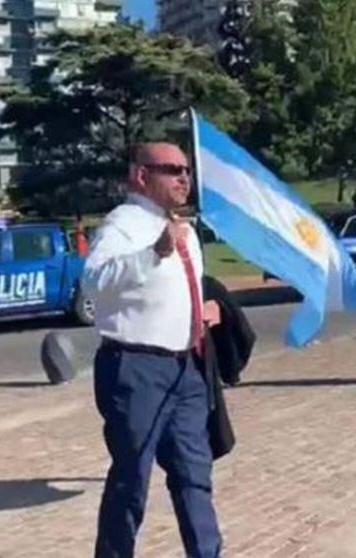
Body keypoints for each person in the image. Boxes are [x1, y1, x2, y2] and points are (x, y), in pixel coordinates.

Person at [83, 142, 223, 558]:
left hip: (186, 369)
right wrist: (153, 253)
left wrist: (204, 311)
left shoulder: (185, 228)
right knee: (132, 478)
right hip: (135, 369)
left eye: (186, 170)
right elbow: (94, 281)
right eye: (171, 169)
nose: (184, 178)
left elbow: (179, 290)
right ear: (141, 175)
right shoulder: (121, 226)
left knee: (195, 475)